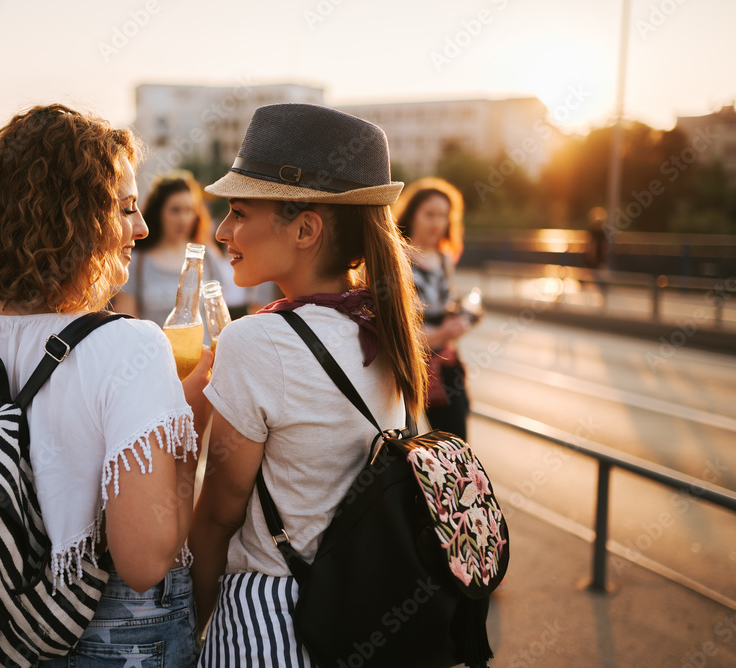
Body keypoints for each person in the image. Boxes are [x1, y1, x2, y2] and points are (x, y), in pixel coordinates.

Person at [0, 104, 210, 667]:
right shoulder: (130, 345)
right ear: (75, 216)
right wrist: (191, 420)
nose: (142, 227)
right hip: (118, 639)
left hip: (10, 635)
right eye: (126, 208)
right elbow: (144, 561)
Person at [188, 103, 427, 665]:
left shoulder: (258, 341)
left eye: (239, 212)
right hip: (363, 613)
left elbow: (217, 517)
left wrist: (189, 631)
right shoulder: (381, 323)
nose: (223, 230)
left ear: (305, 228)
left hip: (271, 623)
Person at [393, 177, 472, 439]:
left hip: (444, 368)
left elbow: (442, 308)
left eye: (443, 216)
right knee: (403, 448)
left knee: (455, 448)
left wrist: (461, 316)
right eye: (429, 214)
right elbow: (396, 333)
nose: (437, 223)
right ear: (412, 213)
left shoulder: (444, 259)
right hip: (406, 371)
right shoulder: (397, 260)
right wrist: (444, 333)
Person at [113, 170, 221, 326]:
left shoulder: (207, 257)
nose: (183, 219)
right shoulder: (135, 261)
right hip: (152, 349)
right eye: (175, 210)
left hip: (202, 351)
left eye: (189, 210)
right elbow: (128, 324)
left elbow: (217, 318)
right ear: (158, 213)